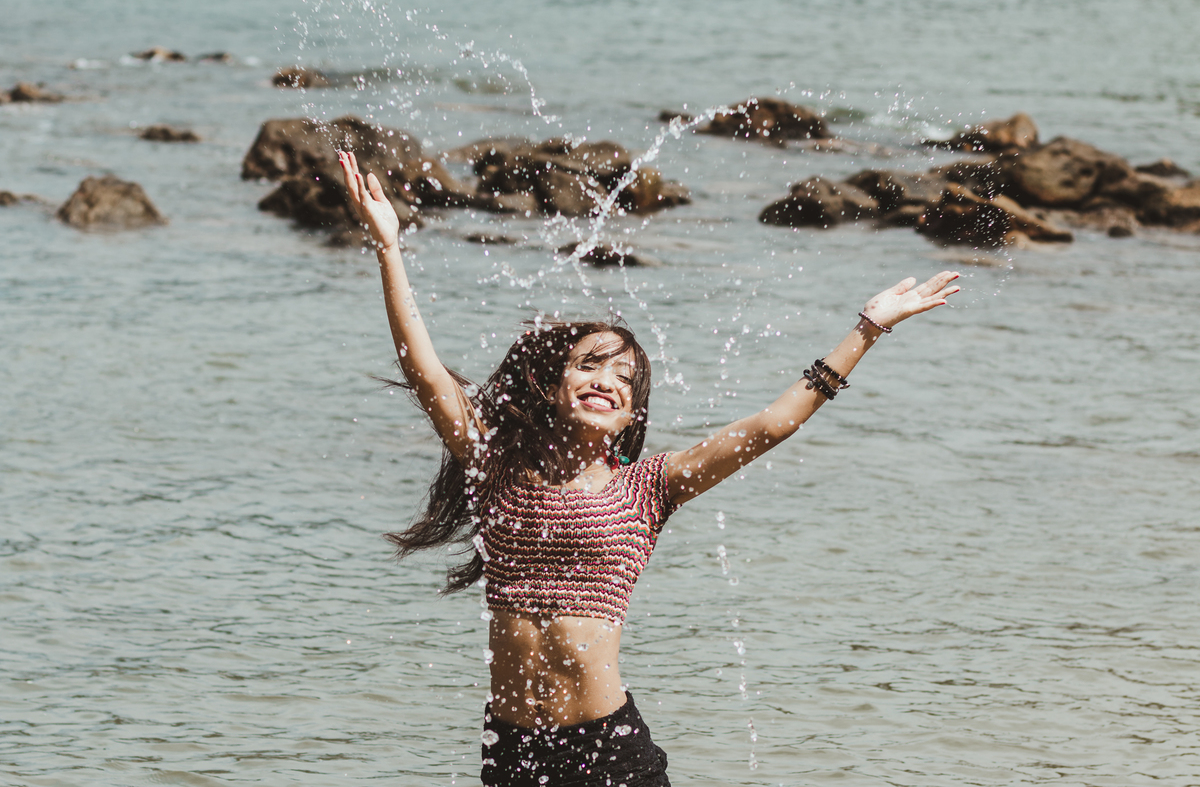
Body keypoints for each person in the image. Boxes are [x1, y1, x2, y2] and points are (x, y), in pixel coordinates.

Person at [338, 150, 959, 786]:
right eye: (589, 364)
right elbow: (425, 371)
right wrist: (389, 247)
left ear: (632, 414)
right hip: (512, 750)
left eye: (624, 378)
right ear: (554, 385)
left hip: (607, 749)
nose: (606, 380)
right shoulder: (495, 465)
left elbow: (770, 427)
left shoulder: (649, 486)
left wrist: (866, 331)